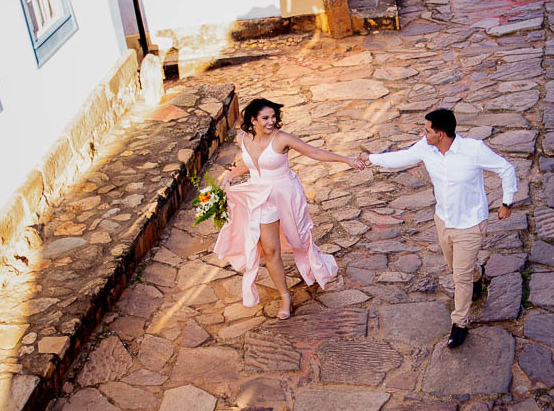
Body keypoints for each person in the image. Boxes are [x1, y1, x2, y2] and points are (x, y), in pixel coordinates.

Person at [360, 107, 517, 349]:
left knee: (459, 276)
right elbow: (400, 157)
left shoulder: (473, 150)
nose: (424, 134)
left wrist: (507, 202)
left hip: (470, 223)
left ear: (441, 134)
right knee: (456, 266)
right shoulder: (426, 148)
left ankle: (460, 323)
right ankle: (478, 274)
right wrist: (370, 159)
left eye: (427, 130)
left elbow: (506, 169)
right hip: (443, 219)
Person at [214, 98, 364, 319]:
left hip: (286, 195)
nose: (271, 121)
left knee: (298, 240)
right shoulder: (243, 139)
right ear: (253, 120)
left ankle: (316, 264)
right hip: (260, 198)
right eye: (265, 118)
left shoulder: (282, 139)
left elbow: (314, 153)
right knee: (271, 249)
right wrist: (229, 175)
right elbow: (247, 162)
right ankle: (285, 296)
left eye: (273, 117)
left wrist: (347, 160)